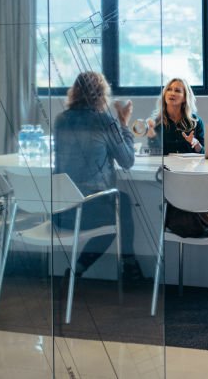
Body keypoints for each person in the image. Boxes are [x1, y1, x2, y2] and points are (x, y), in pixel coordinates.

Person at [53, 71, 144, 280]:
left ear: (74, 92)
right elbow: (127, 161)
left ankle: (79, 270)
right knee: (120, 213)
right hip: (86, 212)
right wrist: (123, 124)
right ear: (102, 95)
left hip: (60, 211)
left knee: (122, 203)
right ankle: (128, 267)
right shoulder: (104, 122)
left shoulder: (60, 120)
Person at [146, 78, 205, 155]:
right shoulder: (156, 122)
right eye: (169, 89)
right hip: (166, 166)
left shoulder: (196, 122)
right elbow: (155, 155)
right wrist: (152, 136)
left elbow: (203, 153)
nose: (172, 93)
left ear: (184, 98)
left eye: (177, 91)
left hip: (189, 166)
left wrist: (196, 143)